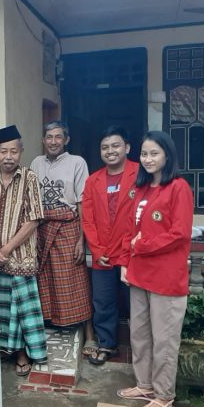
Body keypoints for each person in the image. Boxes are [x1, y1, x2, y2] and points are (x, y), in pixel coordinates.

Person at [118, 130, 194, 407]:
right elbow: (129, 231)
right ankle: (145, 384)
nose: (148, 159)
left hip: (166, 278)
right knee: (139, 334)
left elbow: (179, 233)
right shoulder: (141, 189)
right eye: (144, 153)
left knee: (164, 339)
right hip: (139, 275)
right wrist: (126, 260)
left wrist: (143, 245)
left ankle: (164, 397)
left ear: (167, 155)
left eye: (154, 153)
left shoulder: (179, 188)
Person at [0, 125, 47, 377]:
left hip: (20, 256)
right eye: (3, 151)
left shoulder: (29, 178)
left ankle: (22, 354)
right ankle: (1, 351)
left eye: (14, 151)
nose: (9, 156)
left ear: (21, 152)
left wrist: (7, 248)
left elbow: (34, 219)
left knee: (19, 308)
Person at [30, 121, 95, 353]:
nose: (53, 141)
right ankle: (52, 324)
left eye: (58, 137)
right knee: (45, 280)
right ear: (43, 139)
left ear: (66, 140)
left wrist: (82, 240)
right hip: (42, 228)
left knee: (75, 281)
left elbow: (82, 202)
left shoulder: (77, 162)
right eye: (49, 137)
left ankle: (89, 335)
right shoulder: (36, 163)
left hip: (68, 228)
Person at [82, 126, 139, 365]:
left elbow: (139, 216)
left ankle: (140, 349)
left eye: (115, 146)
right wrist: (96, 250)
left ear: (126, 148)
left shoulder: (141, 173)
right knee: (103, 301)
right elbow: (88, 218)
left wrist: (127, 250)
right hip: (102, 254)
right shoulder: (93, 180)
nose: (110, 151)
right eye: (105, 147)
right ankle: (107, 344)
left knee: (136, 302)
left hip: (132, 254)